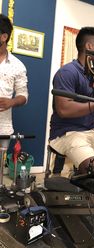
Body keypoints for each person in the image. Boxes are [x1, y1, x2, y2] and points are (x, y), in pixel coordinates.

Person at [49, 27, 94, 174]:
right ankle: (83, 193)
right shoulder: (68, 72)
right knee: (93, 169)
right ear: (89, 46)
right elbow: (64, 110)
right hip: (67, 133)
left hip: (91, 132)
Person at [0, 14, 28, 148]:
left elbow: (23, 96)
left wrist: (12, 102)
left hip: (3, 127)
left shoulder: (18, 65)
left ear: (4, 37)